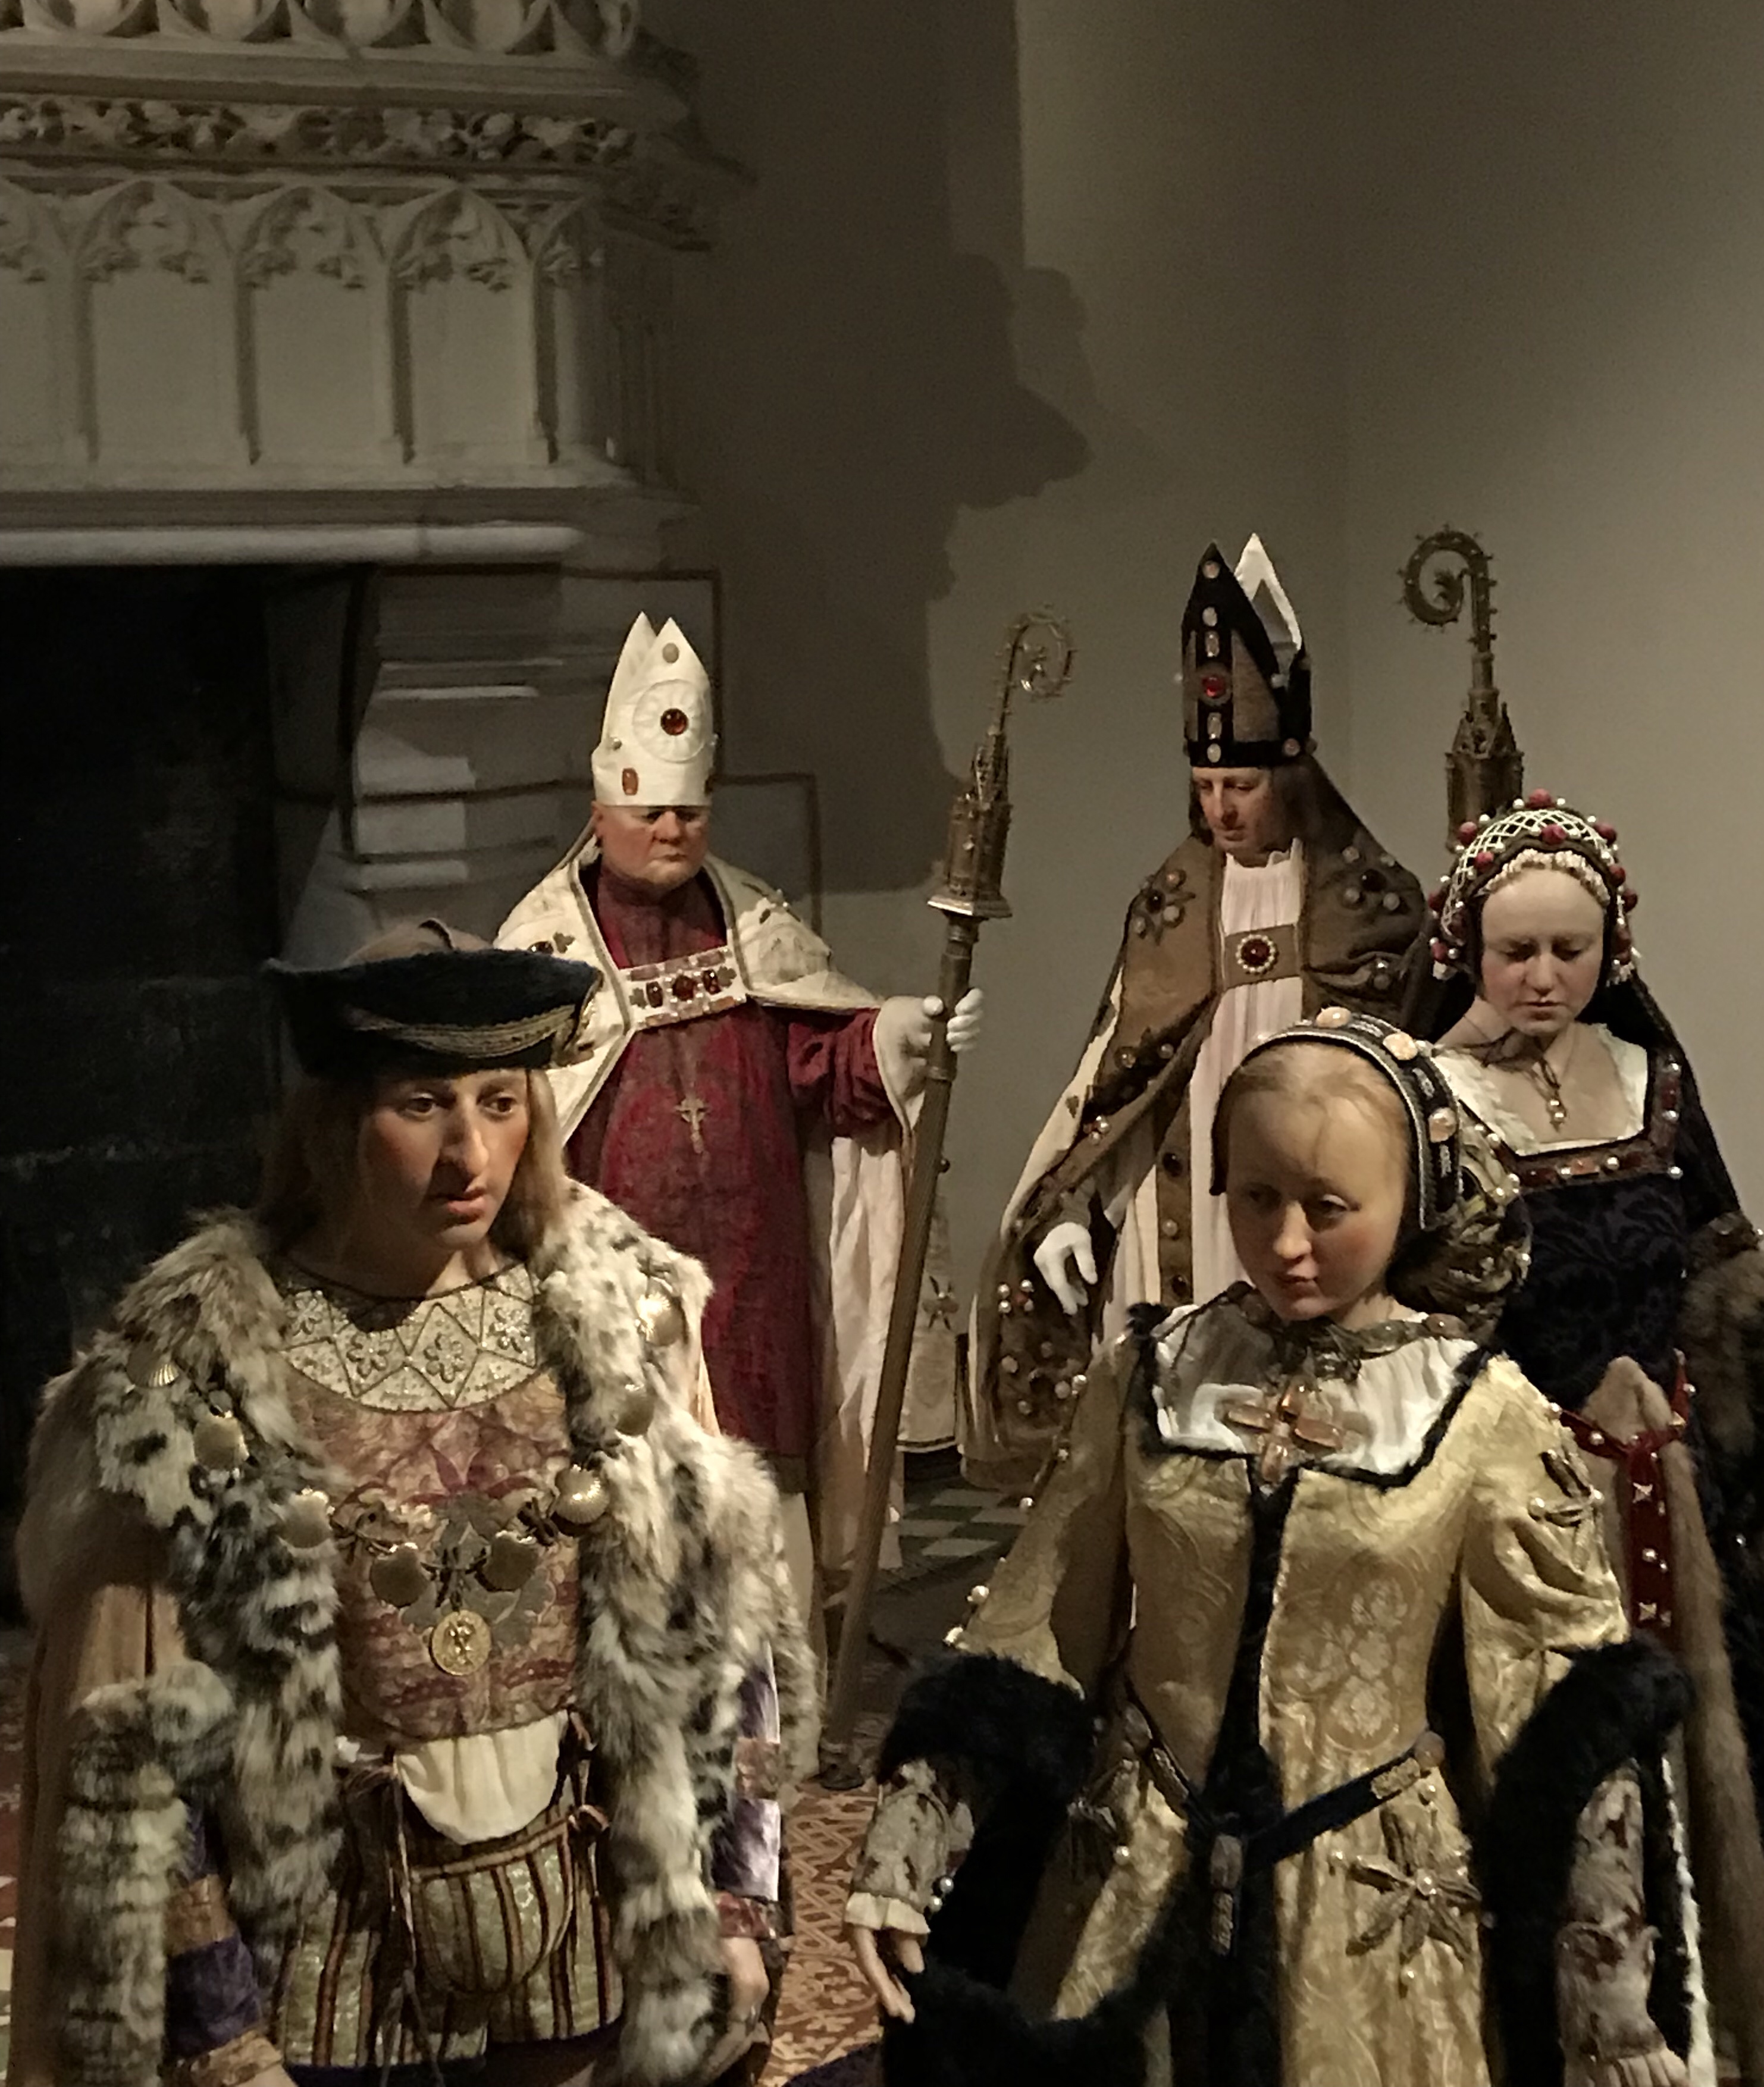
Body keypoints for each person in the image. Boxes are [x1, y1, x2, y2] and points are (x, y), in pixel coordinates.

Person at [8, 922, 812, 2087]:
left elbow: (724, 1636)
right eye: (423, 1104)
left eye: (500, 1101)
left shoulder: (618, 1319)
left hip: (584, 1945)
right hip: (330, 1970)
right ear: (339, 1120)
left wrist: (737, 1905)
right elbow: (136, 1733)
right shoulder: (204, 1370)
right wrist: (217, 2026)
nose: (468, 1153)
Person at [848, 1011, 1693, 2087]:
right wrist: (912, 1833)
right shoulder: (1151, 1374)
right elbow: (1037, 1624)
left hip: (1372, 1924)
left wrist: (1608, 1991)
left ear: (1412, 1201)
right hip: (1130, 1877)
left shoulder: (1482, 1415)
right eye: (1256, 1198)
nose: (1288, 1243)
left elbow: (1562, 1712)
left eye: (1329, 1208)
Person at [1411, 793, 1764, 2079]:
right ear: (1467, 949)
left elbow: (1727, 1273)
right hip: (1517, 1494)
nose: (1542, 976)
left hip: (1675, 1489)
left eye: (1568, 950)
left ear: (1610, 950)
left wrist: (1759, 1457)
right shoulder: (1432, 1094)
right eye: (1514, 950)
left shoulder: (1652, 1082)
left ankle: (1717, 2021)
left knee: (1717, 1747)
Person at [498, 615, 979, 1613]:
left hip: (756, 1286)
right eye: (650, 812)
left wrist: (896, 1035)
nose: (671, 830)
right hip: (620, 1284)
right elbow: (515, 1128)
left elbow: (821, 1065)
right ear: (602, 810)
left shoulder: (754, 923)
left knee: (763, 1500)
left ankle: (777, 1687)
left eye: (689, 810)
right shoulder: (543, 950)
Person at [965, 537, 1424, 1491]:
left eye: (1241, 786)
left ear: (1291, 773)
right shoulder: (1172, 905)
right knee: (1182, 1457)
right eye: (1206, 787)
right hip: (1179, 1213)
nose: (1221, 809)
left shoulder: (1369, 907)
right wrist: (1073, 1206)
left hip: (1313, 1215)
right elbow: (1119, 1073)